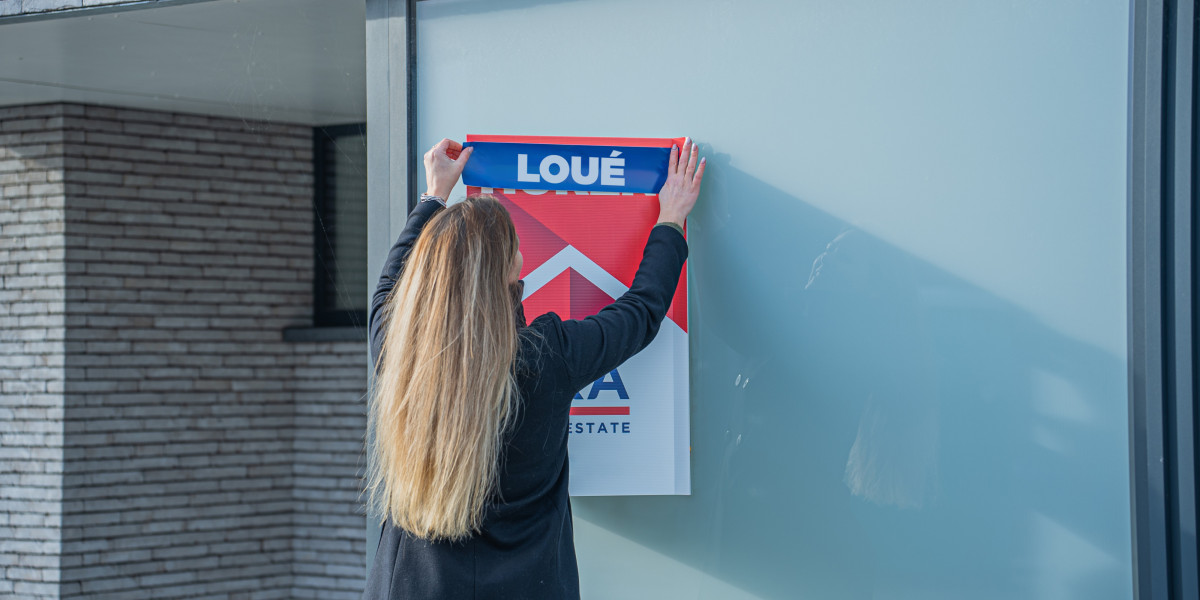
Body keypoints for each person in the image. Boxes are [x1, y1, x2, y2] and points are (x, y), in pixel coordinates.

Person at [362, 136, 705, 599]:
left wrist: (434, 196)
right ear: (508, 272)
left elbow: (388, 290)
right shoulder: (545, 358)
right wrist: (670, 219)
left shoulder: (400, 352)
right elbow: (640, 313)